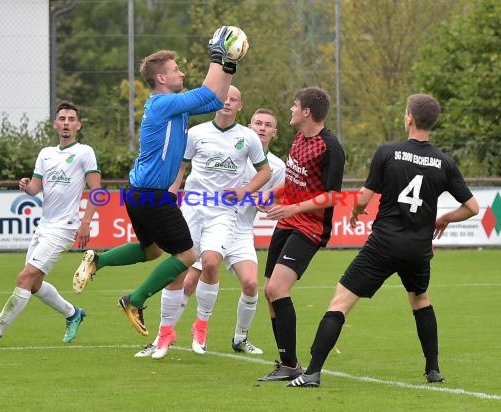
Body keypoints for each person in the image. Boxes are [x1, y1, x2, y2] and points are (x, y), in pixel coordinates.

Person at [287, 93, 480, 388]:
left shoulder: (387, 152)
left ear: (409, 118)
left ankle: (312, 372)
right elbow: (472, 208)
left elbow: (364, 199)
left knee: (340, 301)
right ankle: (433, 370)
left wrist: (356, 212)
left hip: (384, 243)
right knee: (420, 300)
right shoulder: (445, 162)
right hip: (418, 248)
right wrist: (442, 219)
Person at [72, 27, 241, 337]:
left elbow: (216, 100)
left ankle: (98, 259)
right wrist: (217, 53)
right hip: (151, 194)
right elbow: (206, 92)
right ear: (161, 79)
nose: (180, 73)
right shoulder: (163, 104)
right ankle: (134, 300)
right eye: (175, 70)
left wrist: (228, 65)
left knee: (151, 251)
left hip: (139, 192)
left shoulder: (171, 105)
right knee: (188, 256)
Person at [134, 107, 285, 359]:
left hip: (240, 230)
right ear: (249, 124)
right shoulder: (235, 146)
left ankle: (240, 338)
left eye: (268, 125)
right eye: (258, 123)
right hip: (211, 221)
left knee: (250, 283)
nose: (262, 128)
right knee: (188, 279)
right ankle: (163, 336)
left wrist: (265, 198)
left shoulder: (276, 166)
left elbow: (275, 190)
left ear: (275, 132)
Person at [0, 102, 101, 347]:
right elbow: (35, 189)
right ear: (55, 124)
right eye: (62, 118)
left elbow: (97, 191)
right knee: (35, 284)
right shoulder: (45, 154)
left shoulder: (84, 152)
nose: (66, 123)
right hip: (44, 226)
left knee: (25, 278)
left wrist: (85, 222)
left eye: (71, 119)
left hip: (65, 227)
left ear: (78, 125)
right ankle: (73, 314)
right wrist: (26, 186)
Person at [257, 87, 345, 382]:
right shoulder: (298, 138)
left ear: (307, 112)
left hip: (309, 227)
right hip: (289, 222)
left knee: (276, 289)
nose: (291, 110)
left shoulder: (330, 147)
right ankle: (288, 364)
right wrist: (273, 192)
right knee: (270, 291)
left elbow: (333, 196)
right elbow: (295, 181)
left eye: (295, 106)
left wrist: (292, 208)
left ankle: (292, 364)